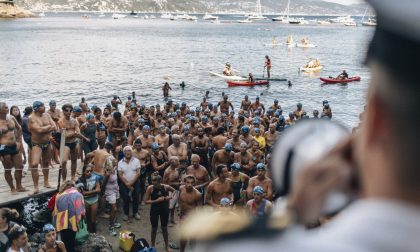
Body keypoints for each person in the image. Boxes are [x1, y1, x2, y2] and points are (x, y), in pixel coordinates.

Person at [144, 172, 175, 252]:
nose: (152, 182)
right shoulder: (150, 188)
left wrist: (170, 196)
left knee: (164, 228)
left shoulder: (165, 187)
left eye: (154, 181)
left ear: (159, 181)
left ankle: (166, 246)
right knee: (154, 228)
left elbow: (174, 191)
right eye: (152, 180)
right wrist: (156, 201)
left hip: (164, 209)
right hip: (154, 209)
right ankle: (153, 246)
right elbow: (146, 201)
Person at [0, 103, 26, 193]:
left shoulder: (11, 117)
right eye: (5, 107)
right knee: (8, 169)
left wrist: (19, 141)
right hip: (3, 148)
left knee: (19, 167)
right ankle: (12, 188)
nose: (8, 108)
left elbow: (19, 128)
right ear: (0, 110)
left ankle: (19, 186)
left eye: (7, 107)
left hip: (14, 145)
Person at [53, 180, 85, 252]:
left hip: (61, 224)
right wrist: (77, 224)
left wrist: (55, 227)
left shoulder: (59, 196)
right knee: (71, 244)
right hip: (72, 223)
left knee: (64, 244)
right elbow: (79, 214)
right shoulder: (78, 195)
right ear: (74, 186)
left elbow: (55, 213)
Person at [57, 104, 80, 181]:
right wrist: (73, 133)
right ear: (63, 111)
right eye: (66, 110)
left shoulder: (74, 120)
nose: (69, 112)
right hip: (66, 143)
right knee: (63, 162)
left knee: (74, 160)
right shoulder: (60, 121)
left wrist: (73, 133)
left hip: (74, 142)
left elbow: (78, 132)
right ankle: (64, 180)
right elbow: (64, 135)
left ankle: (73, 176)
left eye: (70, 110)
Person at [118, 146, 141, 222]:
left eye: (129, 151)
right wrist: (127, 184)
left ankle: (135, 212)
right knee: (125, 198)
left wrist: (131, 183)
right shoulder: (120, 162)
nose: (128, 152)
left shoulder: (136, 161)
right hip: (124, 183)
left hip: (135, 182)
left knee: (136, 197)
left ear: (132, 152)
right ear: (124, 153)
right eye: (126, 151)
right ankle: (126, 214)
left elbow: (138, 173)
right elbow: (120, 175)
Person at [178, 175, 202, 252]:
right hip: (183, 216)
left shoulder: (197, 194)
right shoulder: (181, 189)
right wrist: (179, 209)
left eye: (192, 183)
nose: (189, 184)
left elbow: (200, 209)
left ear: (194, 183)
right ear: (184, 183)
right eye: (188, 182)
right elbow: (180, 199)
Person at [76, 165, 100, 233]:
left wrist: (88, 192)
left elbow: (98, 189)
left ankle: (94, 233)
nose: (89, 172)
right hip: (85, 200)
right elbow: (82, 193)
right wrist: (94, 191)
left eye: (90, 171)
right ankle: (88, 232)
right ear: (83, 172)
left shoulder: (95, 177)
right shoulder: (80, 180)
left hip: (94, 199)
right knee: (87, 218)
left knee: (93, 219)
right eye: (87, 171)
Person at [102, 155, 121, 236]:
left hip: (115, 190)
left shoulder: (115, 169)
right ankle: (111, 227)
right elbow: (103, 185)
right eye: (113, 161)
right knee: (114, 209)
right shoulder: (107, 173)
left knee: (114, 209)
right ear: (110, 163)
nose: (115, 161)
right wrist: (104, 194)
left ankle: (114, 222)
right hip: (110, 192)